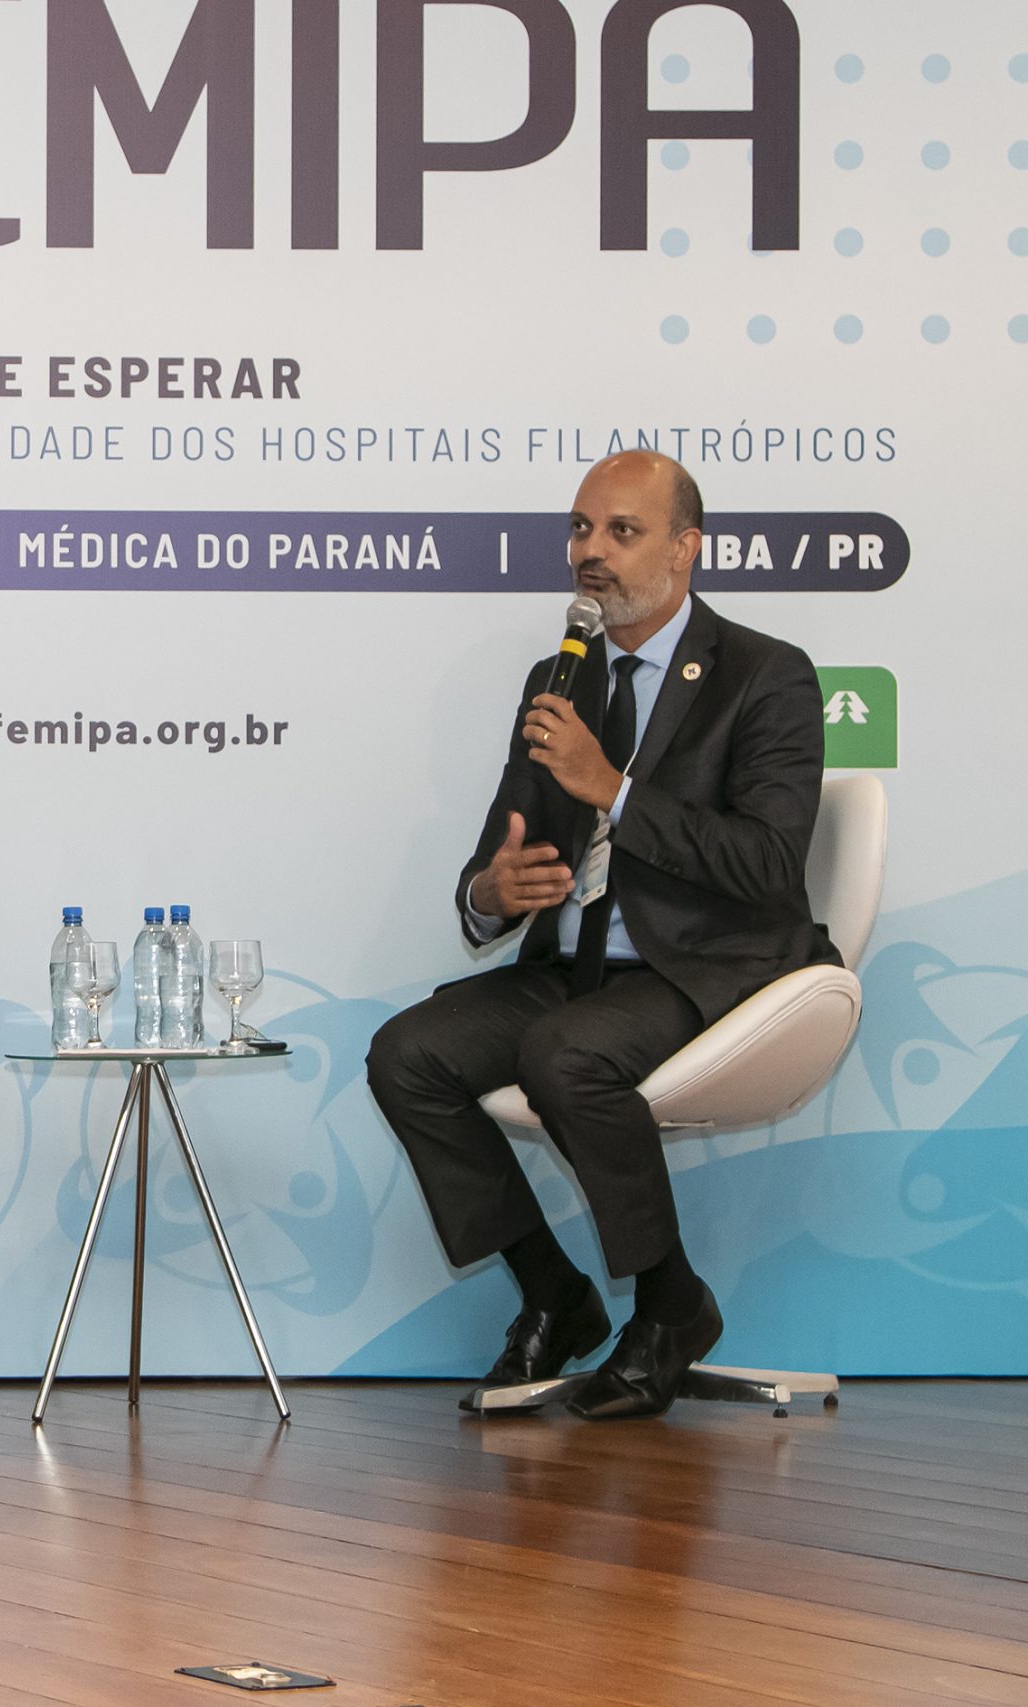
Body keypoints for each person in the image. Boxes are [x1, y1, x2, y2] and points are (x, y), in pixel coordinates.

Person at [366, 451, 835, 1419]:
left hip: (705, 968)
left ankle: (669, 1307)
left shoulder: (765, 674)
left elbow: (767, 863)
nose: (592, 551)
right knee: (407, 1054)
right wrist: (491, 894)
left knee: (563, 1054)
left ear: (685, 548)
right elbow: (501, 852)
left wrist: (613, 789)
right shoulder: (561, 676)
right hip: (577, 969)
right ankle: (555, 1292)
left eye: (622, 531)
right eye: (581, 529)